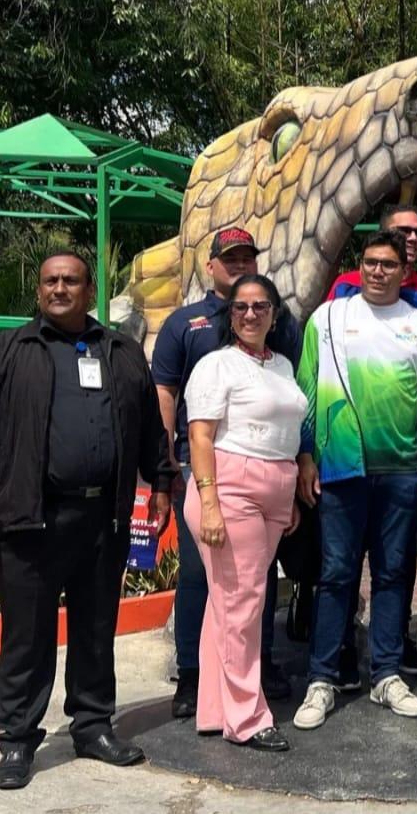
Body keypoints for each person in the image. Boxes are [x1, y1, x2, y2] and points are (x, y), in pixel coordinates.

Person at [0, 252, 174, 790]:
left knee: (96, 628)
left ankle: (92, 727)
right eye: (50, 281)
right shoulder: (7, 350)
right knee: (27, 635)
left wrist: (161, 481)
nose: (59, 288)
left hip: (103, 518)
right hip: (29, 518)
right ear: (39, 290)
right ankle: (18, 740)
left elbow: (148, 427)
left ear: (90, 290)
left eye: (71, 280)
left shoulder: (120, 352)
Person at [292, 230, 417, 730]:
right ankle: (322, 679)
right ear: (359, 266)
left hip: (402, 472)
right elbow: (306, 390)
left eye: (388, 264)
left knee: (392, 574)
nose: (377, 271)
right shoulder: (328, 319)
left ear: (404, 272)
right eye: (370, 262)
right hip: (341, 469)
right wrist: (305, 457)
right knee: (336, 574)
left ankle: (386, 674)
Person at [151, 227, 302, 718]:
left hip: (269, 476)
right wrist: (165, 463)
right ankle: (194, 674)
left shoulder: (281, 333)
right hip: (206, 468)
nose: (238, 264)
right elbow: (165, 394)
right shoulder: (186, 325)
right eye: (229, 257)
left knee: (255, 580)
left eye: (246, 257)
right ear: (211, 264)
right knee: (203, 576)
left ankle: (254, 665)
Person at [184, 274, 305, 751]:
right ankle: (248, 718)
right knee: (243, 605)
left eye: (260, 306)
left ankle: (217, 709)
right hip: (230, 486)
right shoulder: (216, 365)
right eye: (241, 307)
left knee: (229, 604)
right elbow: (200, 437)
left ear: (274, 315)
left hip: (275, 489)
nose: (250, 314)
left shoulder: (283, 366)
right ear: (229, 315)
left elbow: (285, 433)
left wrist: (287, 496)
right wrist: (210, 504)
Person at [325, 204, 417, 679]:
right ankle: (338, 652)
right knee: (341, 566)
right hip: (348, 460)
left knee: (395, 565)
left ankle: (392, 652)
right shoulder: (340, 298)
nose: (410, 238)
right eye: (402, 231)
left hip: (401, 462)